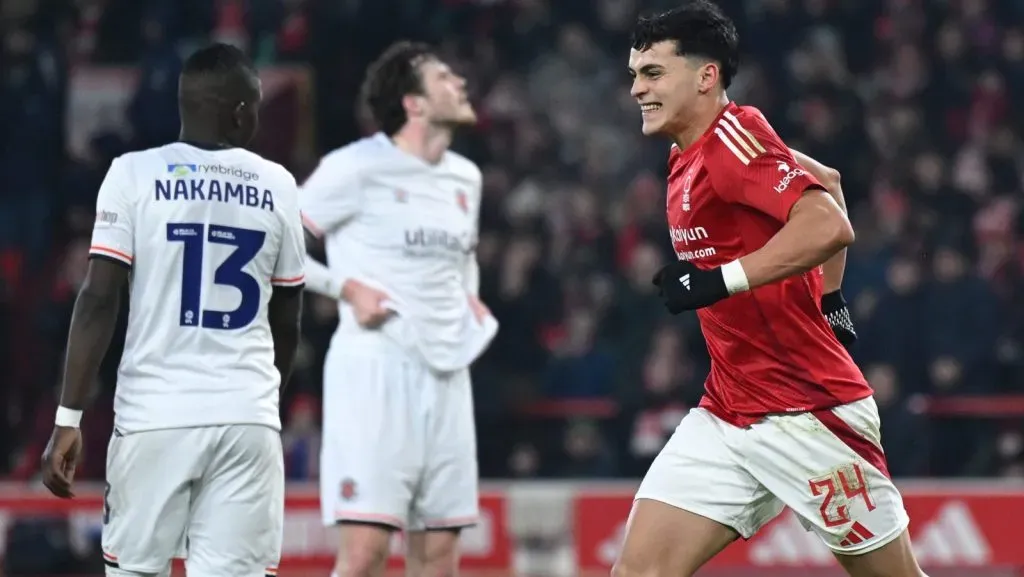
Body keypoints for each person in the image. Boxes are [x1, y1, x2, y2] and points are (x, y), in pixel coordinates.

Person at [616, 3, 926, 577]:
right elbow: (828, 183)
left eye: (653, 73)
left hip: (810, 414)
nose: (637, 88)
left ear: (706, 76)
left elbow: (828, 223)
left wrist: (718, 280)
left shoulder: (732, 139)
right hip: (728, 412)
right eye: (635, 74)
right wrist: (830, 302)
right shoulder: (691, 152)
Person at [40, 43, 305, 577]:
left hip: (155, 417)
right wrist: (262, 403)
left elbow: (97, 299)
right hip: (245, 417)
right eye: (253, 106)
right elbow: (288, 318)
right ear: (238, 112)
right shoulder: (278, 184)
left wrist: (68, 417)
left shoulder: (131, 174)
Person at [299, 41, 498, 577]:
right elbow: (276, 240)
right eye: (442, 78)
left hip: (448, 378)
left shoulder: (465, 178)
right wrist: (345, 289)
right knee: (365, 554)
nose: (459, 82)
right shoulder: (355, 167)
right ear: (413, 104)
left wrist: (469, 295)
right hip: (376, 372)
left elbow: (464, 256)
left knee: (440, 556)